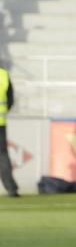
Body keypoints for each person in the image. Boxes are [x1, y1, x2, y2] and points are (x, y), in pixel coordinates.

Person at [0, 64, 18, 198]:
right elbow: (10, 99)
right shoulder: (4, 75)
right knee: (3, 156)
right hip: (1, 122)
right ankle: (11, 189)